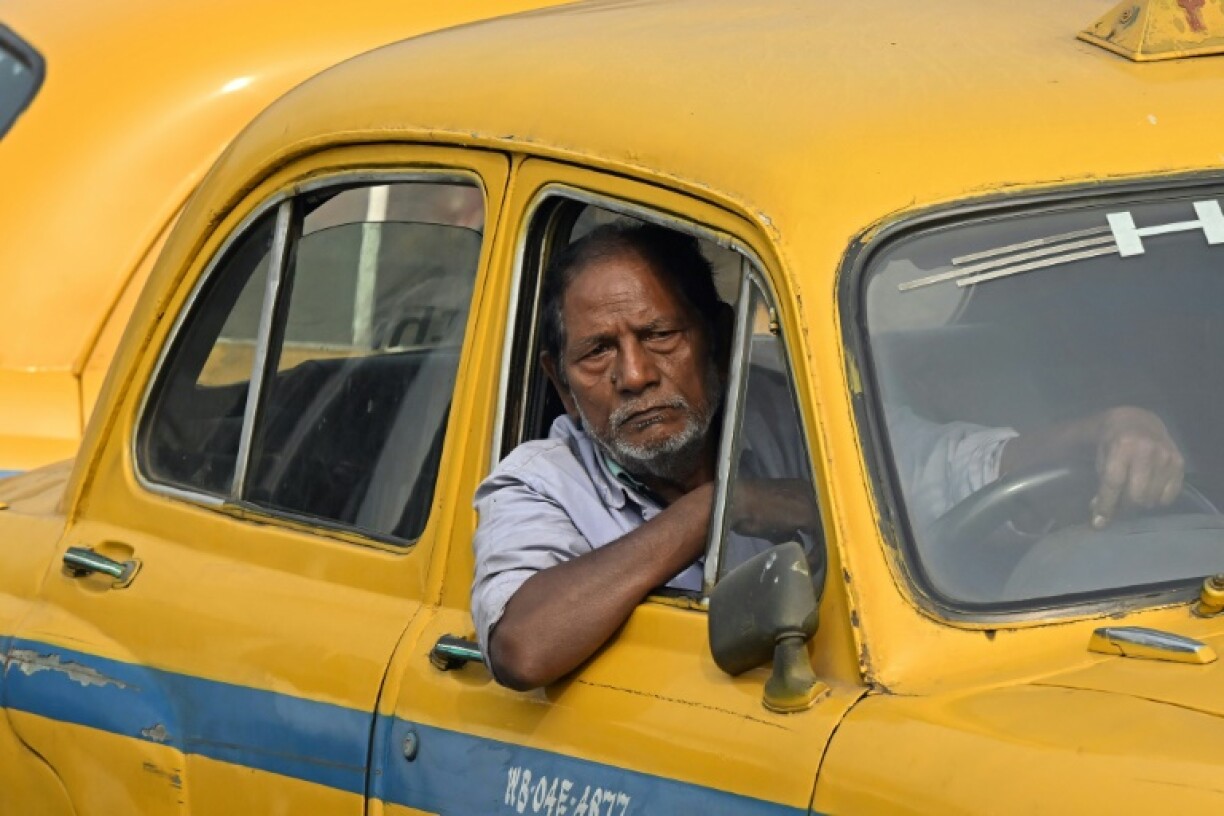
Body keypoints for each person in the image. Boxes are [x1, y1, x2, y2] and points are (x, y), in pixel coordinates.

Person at [471, 223, 1185, 691]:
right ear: (561, 384)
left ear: (717, 339)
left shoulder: (794, 410)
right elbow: (525, 647)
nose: (634, 375)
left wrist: (1105, 433)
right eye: (598, 353)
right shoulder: (539, 483)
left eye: (660, 336)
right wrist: (717, 509)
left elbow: (948, 467)